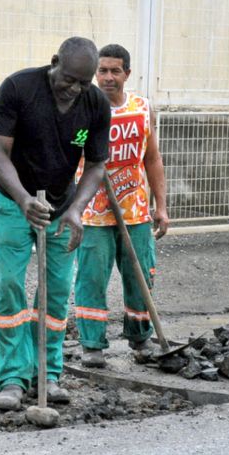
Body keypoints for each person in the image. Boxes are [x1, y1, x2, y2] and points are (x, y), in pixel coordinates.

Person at [0, 37, 111, 410]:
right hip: (14, 202)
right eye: (69, 79)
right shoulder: (19, 88)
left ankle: (49, 373)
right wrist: (24, 198)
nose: (74, 89)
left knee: (56, 291)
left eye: (83, 83)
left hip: (61, 206)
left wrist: (77, 208)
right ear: (54, 62)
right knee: (11, 285)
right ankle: (12, 378)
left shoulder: (95, 104)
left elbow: (96, 165)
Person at [74, 44, 169, 368]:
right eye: (102, 70)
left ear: (127, 73)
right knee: (91, 278)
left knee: (140, 274)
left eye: (115, 71)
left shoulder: (142, 109)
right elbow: (71, 154)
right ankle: (92, 346)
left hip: (135, 210)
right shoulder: (82, 109)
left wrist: (161, 207)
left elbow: (152, 159)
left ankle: (141, 339)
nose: (108, 77)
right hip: (93, 211)